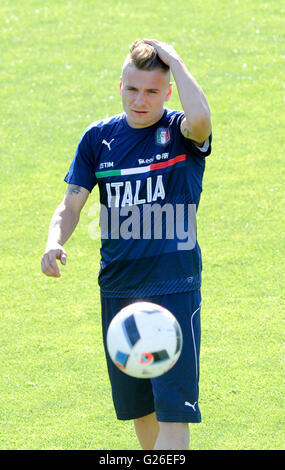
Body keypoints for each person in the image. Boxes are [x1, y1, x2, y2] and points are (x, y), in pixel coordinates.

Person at [41, 39, 212, 450]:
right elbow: (71, 204)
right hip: (118, 292)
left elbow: (202, 117)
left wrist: (175, 60)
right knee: (141, 409)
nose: (141, 100)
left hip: (174, 289)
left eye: (152, 91)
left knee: (174, 409)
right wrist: (53, 240)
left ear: (168, 91)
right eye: (132, 89)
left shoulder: (179, 132)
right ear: (120, 85)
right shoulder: (98, 139)